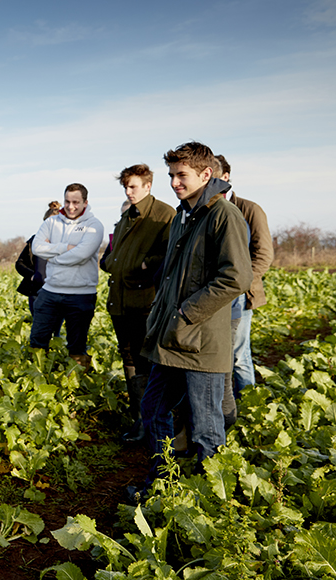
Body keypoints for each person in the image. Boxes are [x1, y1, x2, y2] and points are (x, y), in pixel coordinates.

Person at [138, 142, 252, 493]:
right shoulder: (183, 216)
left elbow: (237, 276)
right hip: (171, 337)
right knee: (153, 410)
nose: (174, 182)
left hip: (201, 341)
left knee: (205, 427)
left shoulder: (222, 215)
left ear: (206, 174)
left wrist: (188, 311)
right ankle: (163, 483)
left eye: (181, 175)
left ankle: (211, 500)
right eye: (171, 175)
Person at [100, 165, 175, 442]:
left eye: (133, 186)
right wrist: (110, 263)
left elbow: (172, 255)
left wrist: (147, 263)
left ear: (147, 185)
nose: (129, 192)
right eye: (126, 187)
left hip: (145, 300)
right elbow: (113, 252)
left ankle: (153, 424)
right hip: (120, 299)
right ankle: (139, 421)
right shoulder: (126, 216)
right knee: (128, 357)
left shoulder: (164, 215)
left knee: (146, 361)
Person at [215, 154, 273, 396]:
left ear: (226, 177)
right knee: (217, 355)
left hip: (241, 294)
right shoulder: (203, 210)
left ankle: (249, 406)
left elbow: (264, 254)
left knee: (239, 355)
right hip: (213, 294)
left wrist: (238, 283)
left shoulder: (249, 209)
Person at [30, 184, 104, 368]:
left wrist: (53, 257)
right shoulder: (50, 223)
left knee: (77, 346)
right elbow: (37, 248)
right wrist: (64, 248)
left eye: (76, 202)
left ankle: (76, 385)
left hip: (81, 294)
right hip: (50, 291)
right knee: (38, 340)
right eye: (67, 201)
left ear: (85, 202)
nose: (71, 206)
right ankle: (37, 376)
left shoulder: (94, 225)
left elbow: (81, 255)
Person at [16, 201, 61, 317]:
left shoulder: (66, 243)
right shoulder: (34, 242)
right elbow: (20, 264)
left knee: (55, 330)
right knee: (38, 327)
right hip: (37, 292)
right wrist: (32, 275)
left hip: (59, 292)